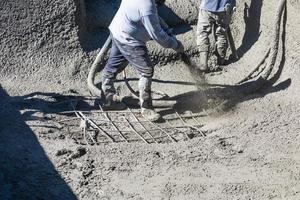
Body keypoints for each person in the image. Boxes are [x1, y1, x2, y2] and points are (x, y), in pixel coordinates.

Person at [101, 0, 184, 122]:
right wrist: (175, 44)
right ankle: (146, 108)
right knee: (146, 70)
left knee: (114, 65)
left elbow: (154, 16)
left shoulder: (147, 4)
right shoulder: (147, 5)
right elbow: (157, 34)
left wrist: (166, 28)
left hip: (118, 30)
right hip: (129, 40)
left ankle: (108, 100)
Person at [196, 0, 236, 71]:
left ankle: (203, 64)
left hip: (208, 6)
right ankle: (221, 61)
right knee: (221, 34)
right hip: (226, 8)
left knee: (202, 33)